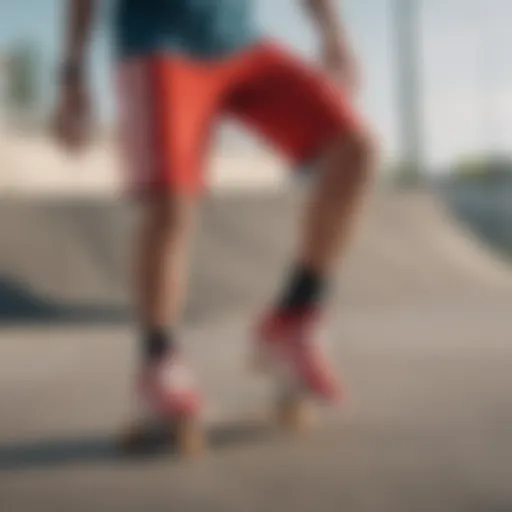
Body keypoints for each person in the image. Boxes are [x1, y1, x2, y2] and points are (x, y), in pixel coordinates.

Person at [53, 0, 376, 446]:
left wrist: (335, 36)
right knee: (171, 202)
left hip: (241, 45)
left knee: (354, 149)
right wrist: (72, 73)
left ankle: (294, 318)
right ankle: (158, 364)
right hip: (157, 44)